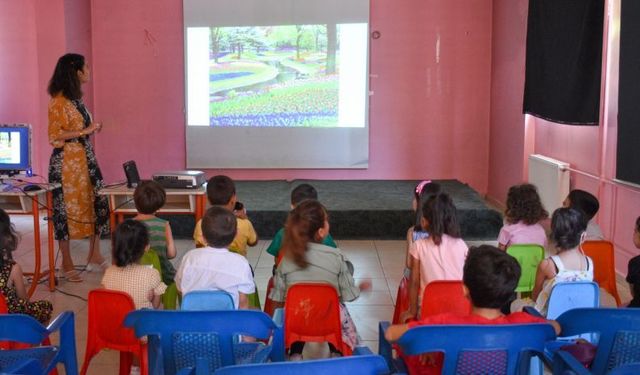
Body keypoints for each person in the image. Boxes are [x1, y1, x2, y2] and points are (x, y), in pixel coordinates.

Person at [385, 246, 560, 373]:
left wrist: (429, 341)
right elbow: (555, 328)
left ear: (465, 289)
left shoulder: (443, 325)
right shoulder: (524, 323)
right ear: (509, 293)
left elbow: (391, 333)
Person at [270, 200, 370, 360]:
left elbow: (278, 298)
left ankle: (295, 353)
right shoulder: (336, 257)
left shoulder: (286, 258)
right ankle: (338, 350)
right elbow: (348, 296)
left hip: (298, 318)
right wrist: (360, 288)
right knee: (341, 311)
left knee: (296, 310)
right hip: (328, 320)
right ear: (322, 231)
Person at [47, 53, 110, 282]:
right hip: (66, 164)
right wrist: (85, 131)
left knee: (96, 204)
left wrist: (91, 128)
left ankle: (95, 254)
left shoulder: (76, 99)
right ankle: (66, 262)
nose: (89, 70)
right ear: (76, 72)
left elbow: (81, 127)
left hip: (86, 160)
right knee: (65, 212)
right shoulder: (58, 101)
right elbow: (54, 136)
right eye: (86, 67)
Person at [401, 193, 468, 322]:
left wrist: (412, 311)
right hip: (460, 310)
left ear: (424, 221)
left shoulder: (419, 246)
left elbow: (414, 282)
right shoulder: (461, 245)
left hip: (429, 312)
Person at [176, 206, 255, 309]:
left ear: (203, 236)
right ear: (235, 235)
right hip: (226, 323)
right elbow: (242, 303)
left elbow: (180, 289)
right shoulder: (241, 263)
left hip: (193, 322)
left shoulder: (189, 257)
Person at [528, 208, 594, 315]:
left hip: (550, 320)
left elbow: (535, 297)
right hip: (579, 318)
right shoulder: (589, 264)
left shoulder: (548, 264)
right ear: (583, 236)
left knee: (516, 304)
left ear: (554, 235)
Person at [266, 183, 338, 266]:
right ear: (316, 207)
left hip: (288, 276)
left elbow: (277, 261)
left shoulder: (282, 233)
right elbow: (333, 258)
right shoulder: (323, 234)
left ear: (292, 206)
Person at [0, 209, 52, 323]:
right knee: (45, 307)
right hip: (9, 323)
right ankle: (33, 340)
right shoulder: (12, 269)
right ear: (7, 237)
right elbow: (24, 300)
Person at [101, 220, 167, 309]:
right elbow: (156, 305)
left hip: (117, 321)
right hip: (140, 321)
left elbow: (106, 301)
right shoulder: (152, 274)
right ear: (146, 247)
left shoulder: (109, 272)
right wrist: (152, 298)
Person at [193, 175, 258, 256]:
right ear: (233, 199)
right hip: (237, 267)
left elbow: (199, 250)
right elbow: (253, 242)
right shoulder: (244, 224)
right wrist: (245, 218)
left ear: (208, 200)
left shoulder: (201, 224)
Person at [133, 180, 176, 286]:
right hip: (163, 276)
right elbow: (171, 254)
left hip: (135, 277)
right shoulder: (164, 225)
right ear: (159, 205)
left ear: (135, 202)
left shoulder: (128, 226)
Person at [497, 183, 548, 250]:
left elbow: (500, 253)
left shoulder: (507, 230)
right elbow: (543, 250)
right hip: (534, 260)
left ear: (511, 207)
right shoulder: (541, 231)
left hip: (512, 260)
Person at [406, 181, 442, 269]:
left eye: (415, 198)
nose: (413, 201)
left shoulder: (413, 232)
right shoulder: (447, 231)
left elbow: (409, 264)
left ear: (421, 203)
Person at [625, 216, 640, 307]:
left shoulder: (635, 263)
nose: (633, 234)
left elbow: (634, 293)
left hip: (635, 315)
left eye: (635, 231)